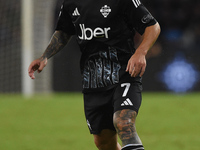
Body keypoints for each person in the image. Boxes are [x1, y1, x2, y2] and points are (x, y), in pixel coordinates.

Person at [28, 0, 160, 149]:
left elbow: (153, 26)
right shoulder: (71, 3)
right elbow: (64, 32)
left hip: (124, 73)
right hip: (93, 82)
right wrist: (44, 57)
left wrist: (140, 52)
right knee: (103, 142)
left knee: (124, 123)